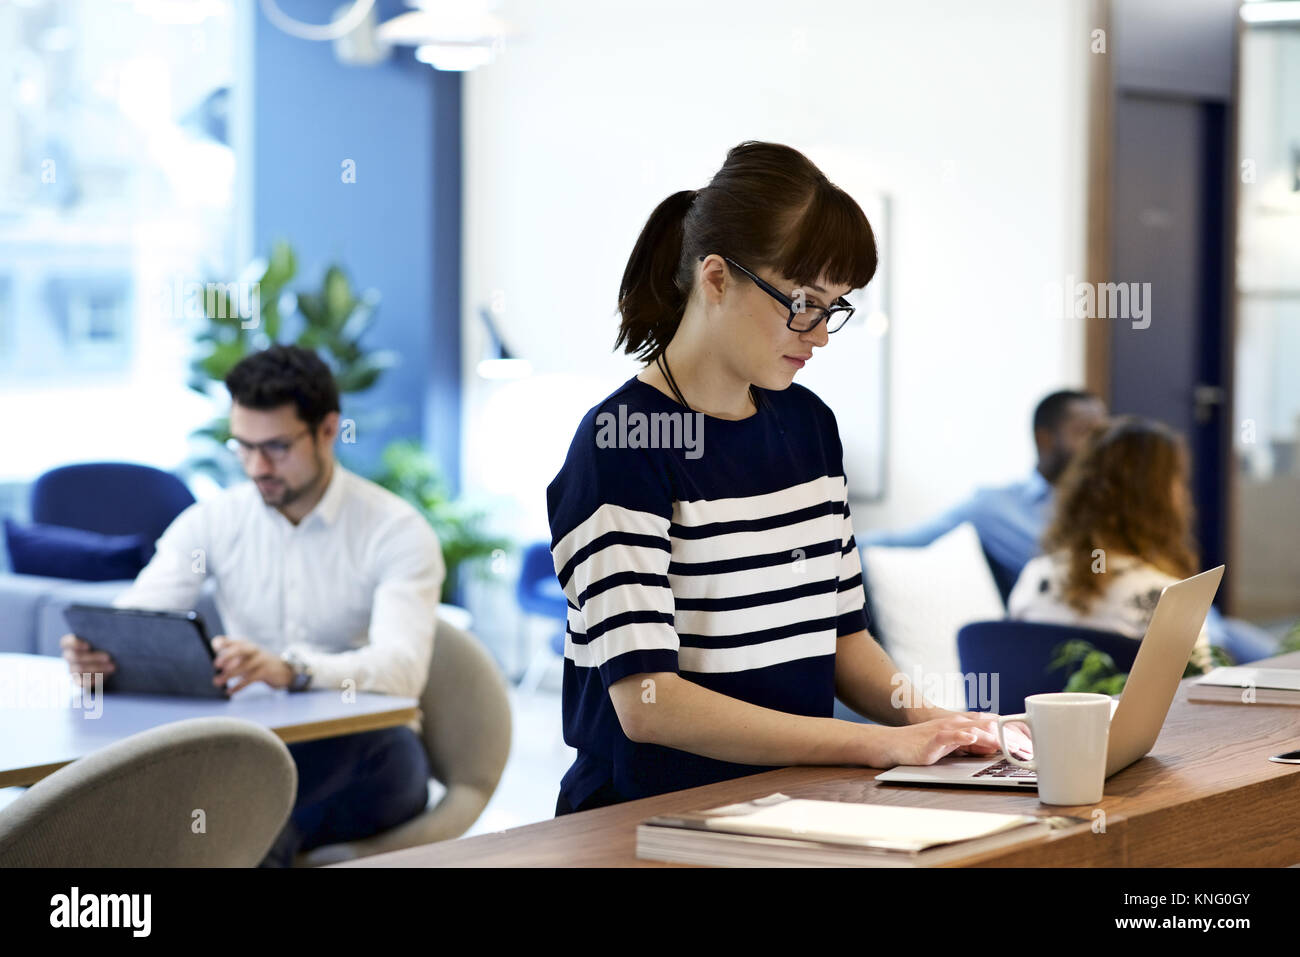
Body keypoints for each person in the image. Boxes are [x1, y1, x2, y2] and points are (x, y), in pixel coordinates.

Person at [545, 141, 1031, 816]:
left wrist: (954, 727)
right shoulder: (623, 443)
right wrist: (870, 745)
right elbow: (650, 704)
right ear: (716, 278)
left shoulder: (808, 426)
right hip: (643, 818)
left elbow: (844, 641)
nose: (819, 333)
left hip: (788, 803)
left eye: (833, 307)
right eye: (802, 301)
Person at [59, 345, 444, 865]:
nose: (257, 466)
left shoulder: (395, 531)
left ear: (328, 430)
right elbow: (140, 616)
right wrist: (98, 651)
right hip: (250, 747)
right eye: (244, 447)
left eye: (277, 448)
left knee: (368, 762)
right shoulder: (213, 521)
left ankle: (239, 846)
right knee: (219, 789)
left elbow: (402, 672)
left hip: (364, 749)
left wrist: (291, 670)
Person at [1007, 415, 1214, 672]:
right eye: (1179, 481)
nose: (1183, 494)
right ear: (1160, 498)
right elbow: (1195, 693)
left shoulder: (1033, 576)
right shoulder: (1169, 596)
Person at [861, 390, 1106, 599]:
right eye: (1085, 433)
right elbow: (905, 541)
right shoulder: (996, 507)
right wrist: (836, 548)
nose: (1100, 447)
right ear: (1044, 439)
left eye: (1103, 436)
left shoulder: (1111, 507)